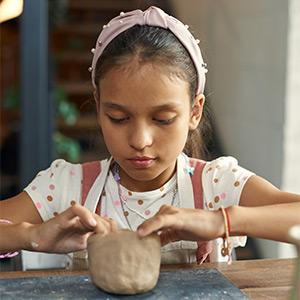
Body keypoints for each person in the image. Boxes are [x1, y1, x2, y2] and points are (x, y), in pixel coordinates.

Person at [0, 6, 299, 266]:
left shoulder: (215, 185)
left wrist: (222, 220)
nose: (140, 140)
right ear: (99, 104)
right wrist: (33, 235)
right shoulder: (67, 188)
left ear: (195, 111)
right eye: (118, 118)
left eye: (162, 119)